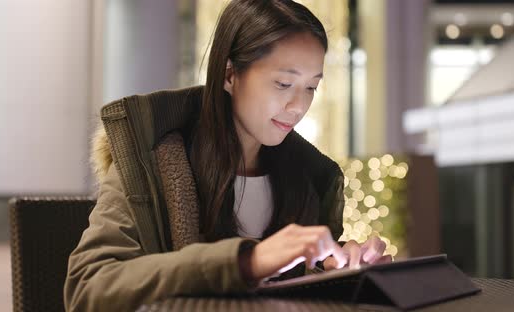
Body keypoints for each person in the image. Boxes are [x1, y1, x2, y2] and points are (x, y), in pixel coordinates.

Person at [64, 0, 391, 311]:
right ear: (230, 74)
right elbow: (87, 288)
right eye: (283, 83)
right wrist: (245, 262)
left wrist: (336, 268)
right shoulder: (152, 161)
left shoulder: (311, 177)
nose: (299, 106)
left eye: (310, 87)